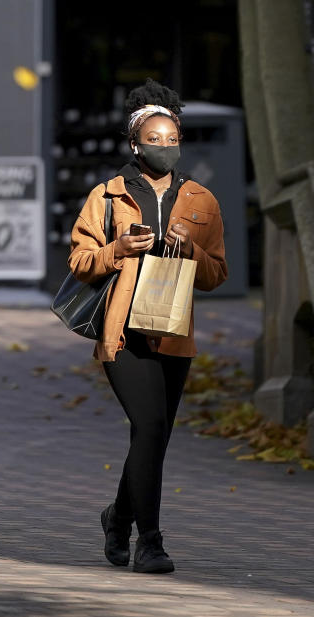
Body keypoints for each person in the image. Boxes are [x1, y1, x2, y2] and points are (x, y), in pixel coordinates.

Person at [67, 79, 227, 574]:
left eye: (171, 139)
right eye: (153, 141)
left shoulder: (202, 200)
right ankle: (150, 543)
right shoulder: (108, 196)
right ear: (135, 144)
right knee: (151, 427)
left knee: (151, 437)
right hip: (122, 331)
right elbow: (79, 260)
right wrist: (118, 250)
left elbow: (217, 273)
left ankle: (116, 518)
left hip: (174, 331)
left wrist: (190, 249)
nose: (164, 148)